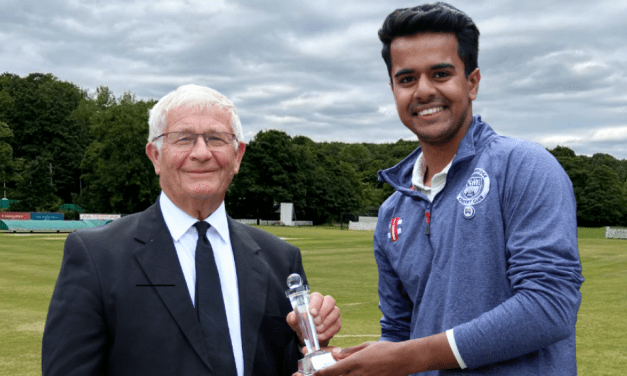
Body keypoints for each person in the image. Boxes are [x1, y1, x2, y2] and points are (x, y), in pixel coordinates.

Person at [315, 3, 583, 375]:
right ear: (393, 88)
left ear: (471, 82)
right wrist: (347, 362)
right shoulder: (392, 210)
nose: (423, 91)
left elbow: (550, 306)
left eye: (440, 74)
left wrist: (411, 356)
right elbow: (399, 333)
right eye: (407, 79)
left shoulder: (524, 166)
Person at [42, 84, 341, 376]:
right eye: (183, 139)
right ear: (155, 156)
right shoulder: (97, 256)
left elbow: (286, 363)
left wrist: (311, 341)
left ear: (237, 156)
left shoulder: (280, 259)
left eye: (216, 138)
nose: (201, 153)